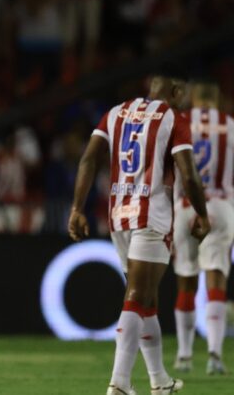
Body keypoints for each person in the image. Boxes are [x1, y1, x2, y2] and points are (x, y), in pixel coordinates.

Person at [68, 72, 211, 395]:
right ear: (175, 90)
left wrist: (77, 207)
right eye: (183, 93)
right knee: (136, 297)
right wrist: (202, 213)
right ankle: (118, 383)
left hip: (119, 216)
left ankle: (159, 381)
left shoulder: (115, 112)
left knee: (147, 300)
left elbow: (89, 159)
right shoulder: (173, 117)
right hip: (152, 214)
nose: (185, 99)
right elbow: (188, 174)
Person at [172, 81, 233, 375]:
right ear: (217, 101)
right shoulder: (230, 125)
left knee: (186, 279)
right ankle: (214, 355)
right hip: (221, 206)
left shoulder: (180, 122)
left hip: (185, 206)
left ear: (194, 99)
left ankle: (184, 356)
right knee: (216, 279)